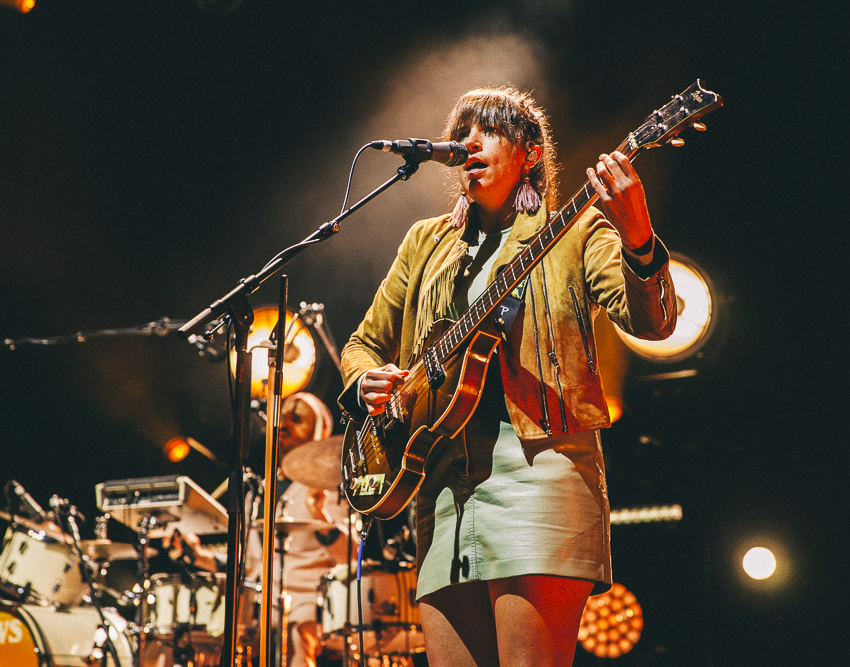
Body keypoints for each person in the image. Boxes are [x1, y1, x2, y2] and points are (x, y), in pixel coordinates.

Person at [338, 86, 677, 667]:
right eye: (461, 129)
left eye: (486, 129)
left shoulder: (573, 231)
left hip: (539, 476)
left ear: (529, 152)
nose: (468, 140)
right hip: (440, 489)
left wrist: (639, 239)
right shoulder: (426, 242)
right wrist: (365, 380)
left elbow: (656, 321)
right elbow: (363, 343)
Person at [165, 391, 349, 667]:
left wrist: (320, 515)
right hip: (258, 609)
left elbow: (351, 558)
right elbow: (250, 565)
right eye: (283, 417)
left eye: (296, 419)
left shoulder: (331, 488)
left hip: (309, 607)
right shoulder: (259, 491)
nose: (284, 425)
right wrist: (200, 555)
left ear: (319, 433)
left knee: (297, 640)